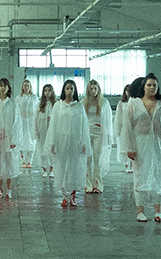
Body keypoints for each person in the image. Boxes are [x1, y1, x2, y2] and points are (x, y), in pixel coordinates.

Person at [121, 74, 161, 222]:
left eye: (154, 85)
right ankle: (140, 211)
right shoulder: (134, 104)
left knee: (158, 176)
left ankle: (157, 211)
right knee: (140, 176)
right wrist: (129, 147)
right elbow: (127, 127)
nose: (152, 87)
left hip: (158, 145)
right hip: (140, 145)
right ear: (143, 87)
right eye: (149, 85)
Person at [45, 79, 89, 208]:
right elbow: (53, 126)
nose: (69, 91)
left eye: (71, 88)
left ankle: (73, 195)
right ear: (64, 90)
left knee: (74, 167)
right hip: (61, 141)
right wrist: (52, 142)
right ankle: (64, 195)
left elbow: (84, 126)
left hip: (75, 141)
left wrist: (84, 143)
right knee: (61, 167)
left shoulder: (79, 106)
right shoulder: (58, 106)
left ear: (75, 90)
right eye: (67, 88)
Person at [82, 79, 112, 194]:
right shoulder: (83, 102)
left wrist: (108, 135)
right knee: (87, 159)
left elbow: (108, 120)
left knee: (97, 158)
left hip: (99, 133)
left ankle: (97, 184)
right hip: (87, 133)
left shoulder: (104, 102)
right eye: (91, 89)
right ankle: (88, 184)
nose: (93, 91)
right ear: (88, 90)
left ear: (98, 89)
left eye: (95, 88)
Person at [35, 83, 57, 177]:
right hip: (42, 130)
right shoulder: (39, 104)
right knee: (42, 149)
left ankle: (51, 169)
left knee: (52, 149)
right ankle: (44, 169)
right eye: (45, 90)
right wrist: (36, 130)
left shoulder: (56, 104)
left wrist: (51, 118)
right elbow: (36, 118)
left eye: (49, 90)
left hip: (52, 131)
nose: (47, 92)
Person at [17, 79, 37, 168]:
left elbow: (37, 108)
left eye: (27, 85)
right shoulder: (19, 98)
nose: (26, 87)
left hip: (31, 122)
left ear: (30, 87)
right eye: (24, 85)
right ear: (22, 87)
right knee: (22, 140)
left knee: (31, 141)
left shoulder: (34, 98)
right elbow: (16, 109)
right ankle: (23, 161)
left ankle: (29, 161)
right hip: (22, 122)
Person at [115, 85, 134, 173]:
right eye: (127, 90)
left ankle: (132, 165)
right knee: (124, 147)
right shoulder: (121, 103)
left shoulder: (135, 102)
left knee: (132, 146)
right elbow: (118, 117)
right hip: (124, 128)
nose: (128, 92)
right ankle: (126, 165)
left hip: (133, 128)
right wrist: (118, 129)